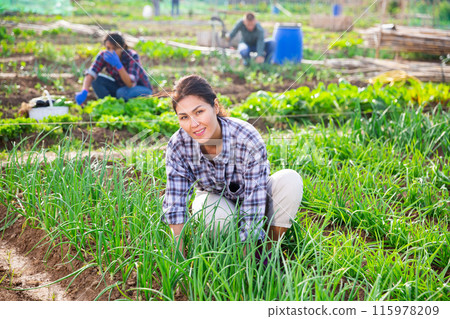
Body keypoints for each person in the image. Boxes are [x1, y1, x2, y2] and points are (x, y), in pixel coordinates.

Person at [162, 74, 303, 256]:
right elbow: (175, 202)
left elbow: (254, 199)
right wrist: (178, 260)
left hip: (255, 198)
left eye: (199, 112)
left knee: (289, 180)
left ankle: (268, 253)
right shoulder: (178, 145)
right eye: (184, 117)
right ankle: (230, 252)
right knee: (215, 216)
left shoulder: (246, 137)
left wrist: (249, 262)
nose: (194, 124)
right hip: (216, 201)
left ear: (215, 106)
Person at [75, 32, 152, 105]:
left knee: (121, 93)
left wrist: (119, 65)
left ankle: (125, 107)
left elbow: (130, 84)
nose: (111, 51)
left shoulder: (132, 56)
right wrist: (84, 91)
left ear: (123, 47)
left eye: (115, 49)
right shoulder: (104, 55)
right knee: (96, 80)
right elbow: (91, 73)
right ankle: (109, 105)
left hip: (141, 89)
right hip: (122, 87)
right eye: (108, 48)